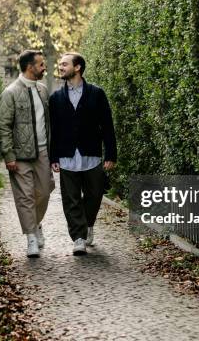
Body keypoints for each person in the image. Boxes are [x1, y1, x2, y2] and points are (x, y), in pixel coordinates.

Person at [49, 52, 117, 256]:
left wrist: (111, 154)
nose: (60, 67)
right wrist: (54, 157)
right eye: (60, 64)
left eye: (64, 64)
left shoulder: (97, 93)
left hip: (92, 154)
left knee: (94, 195)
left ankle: (88, 225)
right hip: (67, 156)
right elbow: (55, 129)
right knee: (70, 199)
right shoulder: (56, 98)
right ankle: (78, 238)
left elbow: (107, 125)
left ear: (77, 68)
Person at [0, 50, 54, 258]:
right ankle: (31, 236)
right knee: (25, 197)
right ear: (30, 67)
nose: (43, 67)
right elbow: (4, 126)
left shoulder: (42, 90)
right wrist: (9, 156)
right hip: (20, 156)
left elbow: (48, 123)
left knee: (45, 191)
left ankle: (36, 224)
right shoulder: (10, 93)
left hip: (42, 152)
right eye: (40, 64)